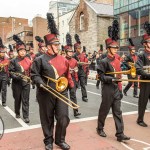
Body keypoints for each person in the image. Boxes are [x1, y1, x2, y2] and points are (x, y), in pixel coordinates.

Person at [31, 13, 74, 150]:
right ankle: (48, 141)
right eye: (56, 44)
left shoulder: (64, 60)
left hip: (61, 91)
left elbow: (68, 75)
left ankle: (60, 140)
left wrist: (71, 86)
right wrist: (40, 83)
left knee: (63, 118)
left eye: (58, 44)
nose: (58, 46)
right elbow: (34, 74)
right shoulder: (39, 60)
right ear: (49, 46)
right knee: (47, 118)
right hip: (46, 92)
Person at [97, 20, 130, 142]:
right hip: (107, 89)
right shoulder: (103, 61)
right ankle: (100, 128)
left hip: (116, 89)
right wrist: (112, 79)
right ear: (108, 48)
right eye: (114, 47)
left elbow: (120, 75)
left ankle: (120, 133)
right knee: (104, 111)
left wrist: (120, 88)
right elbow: (101, 77)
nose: (116, 49)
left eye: (117, 47)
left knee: (118, 112)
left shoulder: (117, 60)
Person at [9, 35, 32, 123]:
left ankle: (26, 116)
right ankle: (17, 112)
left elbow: (31, 71)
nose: (23, 52)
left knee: (25, 100)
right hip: (17, 84)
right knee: (17, 99)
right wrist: (17, 77)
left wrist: (31, 81)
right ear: (18, 51)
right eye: (21, 51)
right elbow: (11, 72)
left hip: (26, 83)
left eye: (24, 51)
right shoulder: (13, 61)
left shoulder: (28, 60)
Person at [135, 21, 150, 127]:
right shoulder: (141, 55)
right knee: (143, 101)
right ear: (145, 43)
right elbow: (138, 69)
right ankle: (140, 119)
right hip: (145, 81)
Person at [64, 33, 81, 117]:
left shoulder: (74, 60)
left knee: (73, 96)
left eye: (71, 52)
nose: (71, 53)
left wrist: (77, 80)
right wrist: (67, 71)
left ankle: (76, 111)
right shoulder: (62, 60)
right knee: (64, 97)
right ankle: (64, 113)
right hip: (65, 80)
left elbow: (76, 71)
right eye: (69, 52)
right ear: (66, 52)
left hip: (73, 79)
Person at [73, 34, 88, 102]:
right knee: (75, 85)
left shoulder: (82, 55)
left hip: (81, 70)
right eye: (79, 48)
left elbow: (84, 61)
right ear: (76, 49)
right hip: (76, 71)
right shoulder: (73, 55)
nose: (80, 49)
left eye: (80, 48)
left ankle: (84, 97)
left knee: (83, 84)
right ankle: (73, 96)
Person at [0, 37, 10, 107]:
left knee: (4, 89)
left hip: (4, 75)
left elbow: (8, 69)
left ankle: (4, 102)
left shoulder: (7, 59)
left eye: (4, 52)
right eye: (1, 52)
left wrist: (8, 77)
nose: (3, 53)